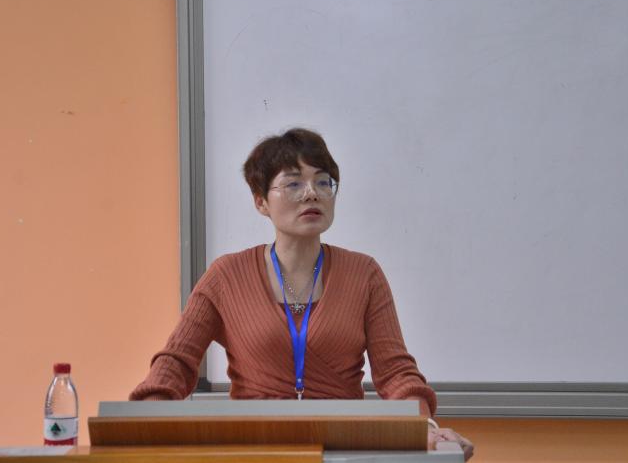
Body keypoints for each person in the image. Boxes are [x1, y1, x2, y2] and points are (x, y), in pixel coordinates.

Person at [130, 128, 474, 460]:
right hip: (253, 450)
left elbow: (396, 372)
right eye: (293, 183)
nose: (312, 194)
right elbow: (176, 362)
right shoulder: (226, 275)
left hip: (343, 448)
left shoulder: (364, 273)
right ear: (261, 201)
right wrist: (147, 419)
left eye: (323, 182)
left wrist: (425, 427)